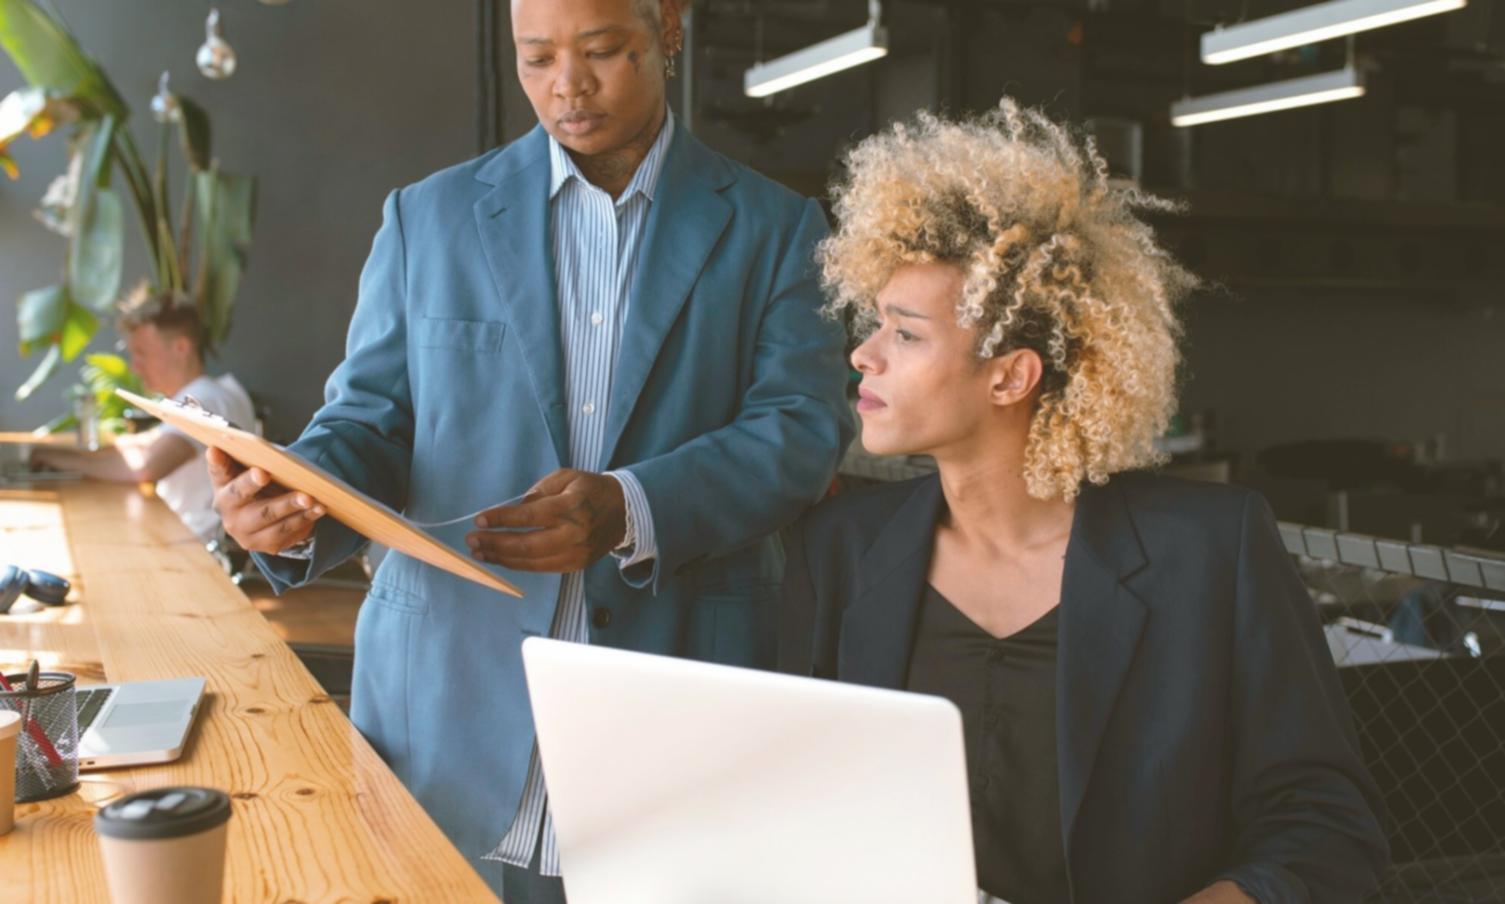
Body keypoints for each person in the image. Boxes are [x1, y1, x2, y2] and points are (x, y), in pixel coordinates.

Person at [206, 0, 852, 898]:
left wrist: (630, 505)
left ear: (666, 28)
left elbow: (802, 431)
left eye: (600, 52)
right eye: (536, 56)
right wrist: (295, 504)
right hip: (448, 712)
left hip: (673, 699)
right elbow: (370, 423)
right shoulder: (425, 218)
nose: (566, 86)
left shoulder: (778, 231)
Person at [779, 101, 1388, 904]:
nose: (863, 353)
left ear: (1010, 376)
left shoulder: (1209, 549)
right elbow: (793, 802)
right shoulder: (838, 550)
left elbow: (1326, 825)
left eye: (907, 334)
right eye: (873, 325)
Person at [32, 288, 254, 541]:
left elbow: (146, 467)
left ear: (181, 347)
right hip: (184, 535)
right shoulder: (222, 390)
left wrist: (53, 458)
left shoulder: (199, 400)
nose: (135, 366)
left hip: (192, 545)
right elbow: (146, 443)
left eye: (142, 353)